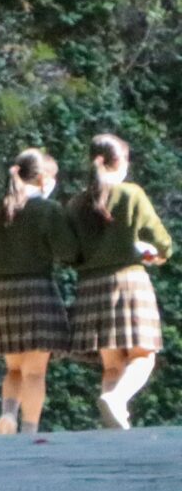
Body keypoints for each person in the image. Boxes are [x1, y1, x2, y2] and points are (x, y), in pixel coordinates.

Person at [67, 133, 171, 428]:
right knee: (143, 356)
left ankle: (114, 432)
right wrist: (154, 254)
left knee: (112, 365)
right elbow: (162, 243)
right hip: (129, 284)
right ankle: (117, 400)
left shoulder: (75, 204)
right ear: (120, 162)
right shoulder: (131, 194)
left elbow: (66, 251)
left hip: (91, 288)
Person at [0, 149, 75, 434]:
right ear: (42, 178)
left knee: (14, 368)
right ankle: (29, 430)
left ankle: (8, 415)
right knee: (35, 371)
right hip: (37, 292)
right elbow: (68, 252)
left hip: (2, 295)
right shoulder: (48, 210)